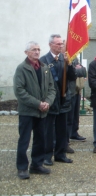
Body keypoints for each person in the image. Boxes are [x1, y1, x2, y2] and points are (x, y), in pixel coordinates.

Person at [14, 41, 56, 179]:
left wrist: (47, 102)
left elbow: (52, 88)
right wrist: (38, 103)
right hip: (28, 112)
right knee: (24, 140)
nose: (37, 52)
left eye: (38, 49)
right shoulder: (22, 68)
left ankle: (36, 165)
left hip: (42, 112)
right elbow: (20, 91)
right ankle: (22, 168)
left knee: (40, 139)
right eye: (33, 50)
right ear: (27, 52)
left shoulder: (44, 67)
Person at [40, 34, 76, 165]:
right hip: (51, 100)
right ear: (50, 44)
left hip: (64, 99)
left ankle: (60, 154)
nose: (61, 46)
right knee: (48, 130)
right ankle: (47, 155)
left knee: (62, 129)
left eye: (62, 44)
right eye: (58, 44)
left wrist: (70, 64)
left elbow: (72, 77)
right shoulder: (44, 60)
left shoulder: (64, 59)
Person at [68, 54, 87, 143]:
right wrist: (77, 69)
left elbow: (83, 71)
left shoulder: (74, 57)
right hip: (70, 90)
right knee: (69, 115)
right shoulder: (66, 58)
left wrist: (79, 69)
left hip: (77, 90)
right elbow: (72, 73)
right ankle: (67, 135)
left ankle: (74, 132)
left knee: (76, 114)